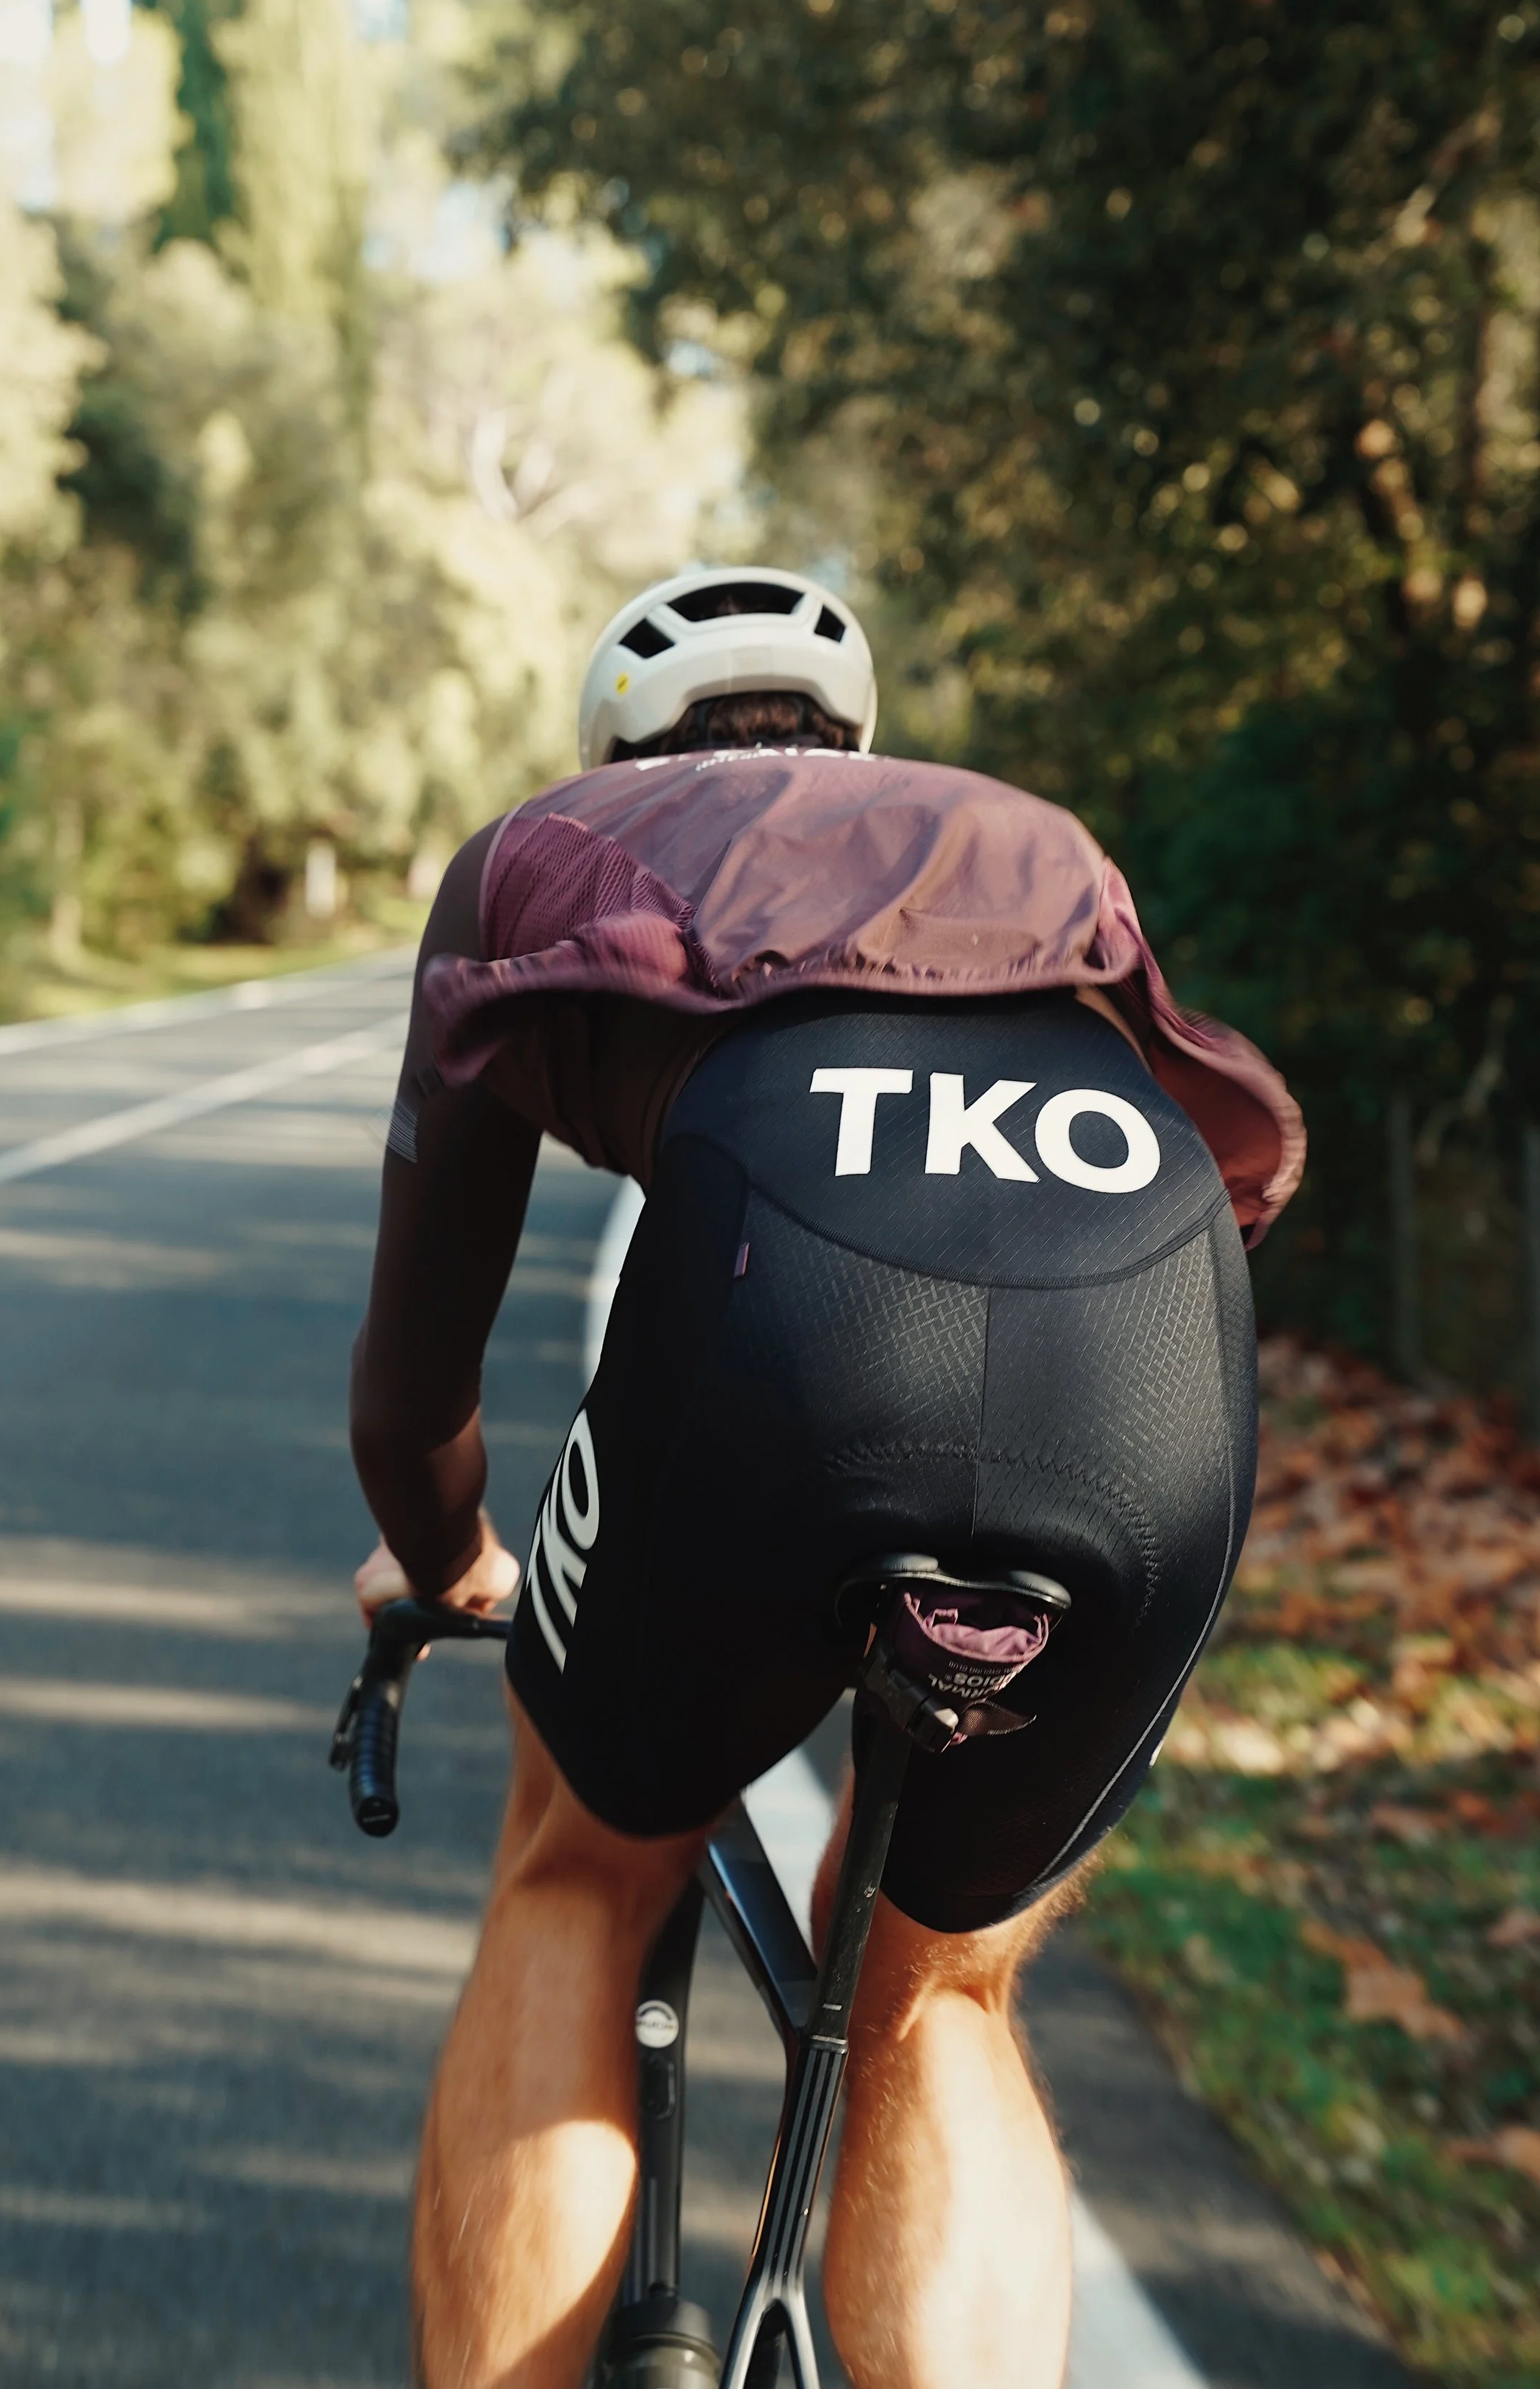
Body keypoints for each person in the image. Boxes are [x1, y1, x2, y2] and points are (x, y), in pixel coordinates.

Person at [350, 568, 1302, 2389]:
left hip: (801, 1316)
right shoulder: (1019, 840)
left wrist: (446, 1559)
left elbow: (410, 1395)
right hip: (1153, 1340)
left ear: (618, 751)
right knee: (937, 1980)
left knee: (580, 1864)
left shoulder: (542, 850)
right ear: (852, 742)